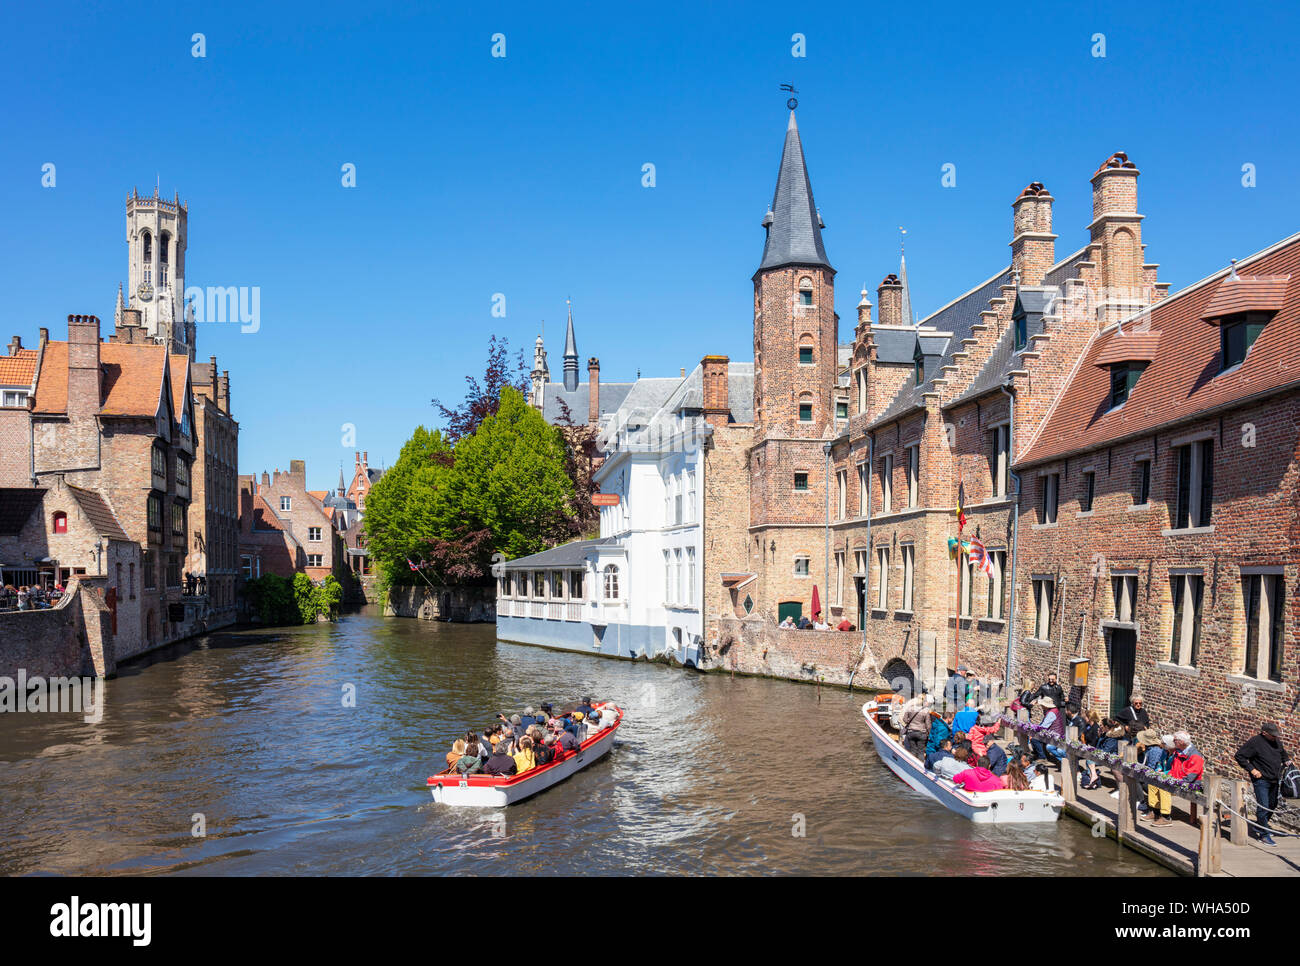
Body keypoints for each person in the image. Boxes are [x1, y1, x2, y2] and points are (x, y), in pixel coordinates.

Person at [1234, 721, 1290, 847]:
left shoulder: (1276, 742)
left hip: (1274, 779)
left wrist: (1287, 761)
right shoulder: (1255, 742)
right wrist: (1252, 770)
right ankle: (1264, 835)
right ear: (1264, 733)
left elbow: (1283, 754)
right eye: (1273, 735)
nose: (1275, 737)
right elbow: (1240, 756)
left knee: (1272, 805)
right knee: (1263, 806)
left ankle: (1260, 826)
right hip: (1261, 779)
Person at [901, 694, 933, 760]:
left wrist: (910, 723)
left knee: (913, 750)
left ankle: (912, 764)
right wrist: (929, 733)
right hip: (921, 732)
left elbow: (904, 719)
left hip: (911, 732)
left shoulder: (910, 708)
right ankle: (920, 764)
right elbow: (928, 725)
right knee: (921, 751)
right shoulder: (925, 711)